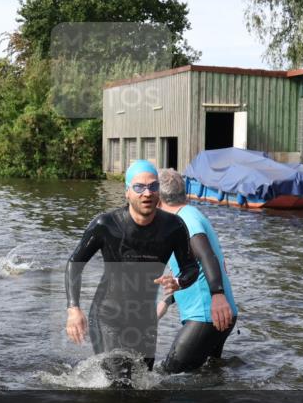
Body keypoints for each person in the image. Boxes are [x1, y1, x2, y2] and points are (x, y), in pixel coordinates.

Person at [64, 160, 205, 375]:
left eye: (153, 186)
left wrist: (178, 282)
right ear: (127, 192)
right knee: (119, 383)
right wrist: (74, 309)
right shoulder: (106, 225)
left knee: (141, 385)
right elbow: (75, 264)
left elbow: (190, 267)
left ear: (159, 191)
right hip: (107, 316)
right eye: (139, 187)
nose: (147, 193)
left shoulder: (174, 227)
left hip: (145, 319)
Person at [156, 169, 237, 373]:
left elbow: (207, 257)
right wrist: (166, 301)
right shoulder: (191, 215)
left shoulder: (185, 221)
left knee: (168, 376)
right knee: (207, 376)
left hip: (207, 315)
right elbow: (195, 270)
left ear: (158, 199)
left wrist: (217, 296)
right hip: (218, 313)